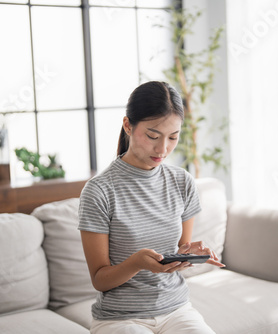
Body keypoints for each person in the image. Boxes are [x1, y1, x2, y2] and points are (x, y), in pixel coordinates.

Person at [78, 81, 224, 334]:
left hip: (176, 309)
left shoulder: (182, 182)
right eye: (153, 136)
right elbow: (100, 280)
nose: (163, 148)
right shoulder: (99, 191)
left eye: (173, 137)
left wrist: (189, 253)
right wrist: (136, 263)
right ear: (128, 126)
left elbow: (179, 249)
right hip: (119, 319)